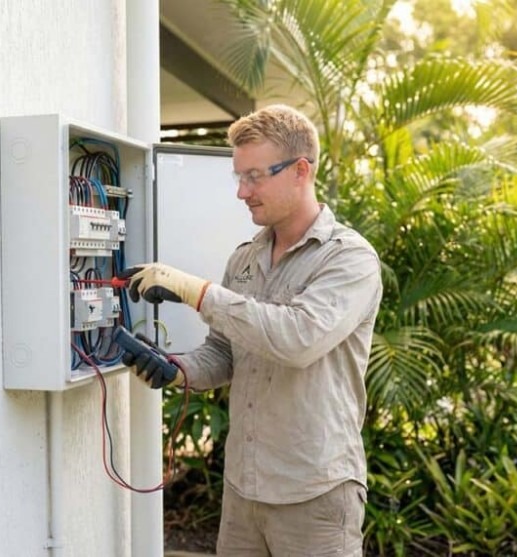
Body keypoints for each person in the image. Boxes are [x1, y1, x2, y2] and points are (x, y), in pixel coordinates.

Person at [120, 104, 382, 556]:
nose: (243, 191)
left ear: (301, 170)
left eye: (255, 176)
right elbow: (224, 353)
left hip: (315, 494)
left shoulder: (348, 260)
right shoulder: (244, 259)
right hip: (244, 489)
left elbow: (297, 339)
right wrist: (174, 369)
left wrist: (196, 291)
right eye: (239, 177)